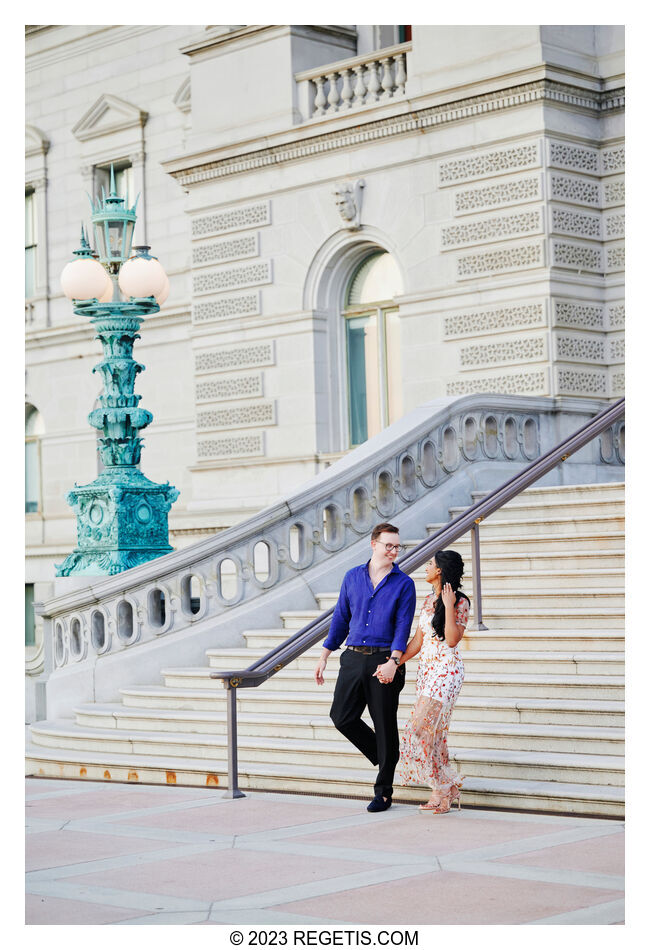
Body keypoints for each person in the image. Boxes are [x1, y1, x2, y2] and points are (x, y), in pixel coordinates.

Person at [314, 523, 416, 812]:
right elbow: (340, 618)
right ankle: (386, 756)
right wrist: (324, 655)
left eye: (397, 546)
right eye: (389, 546)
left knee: (384, 724)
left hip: (384, 659)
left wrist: (394, 662)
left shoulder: (403, 583)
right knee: (341, 716)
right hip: (353, 657)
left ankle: (383, 791)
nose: (394, 551)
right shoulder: (352, 577)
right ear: (374, 544)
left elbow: (402, 626)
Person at [386, 549, 470, 814]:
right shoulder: (425, 600)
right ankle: (442, 790)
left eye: (430, 564)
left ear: (440, 571)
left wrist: (446, 606)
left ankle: (444, 786)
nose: (426, 567)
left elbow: (453, 639)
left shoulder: (460, 602)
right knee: (432, 736)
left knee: (419, 730)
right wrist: (393, 662)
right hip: (427, 672)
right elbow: (417, 643)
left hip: (447, 673)